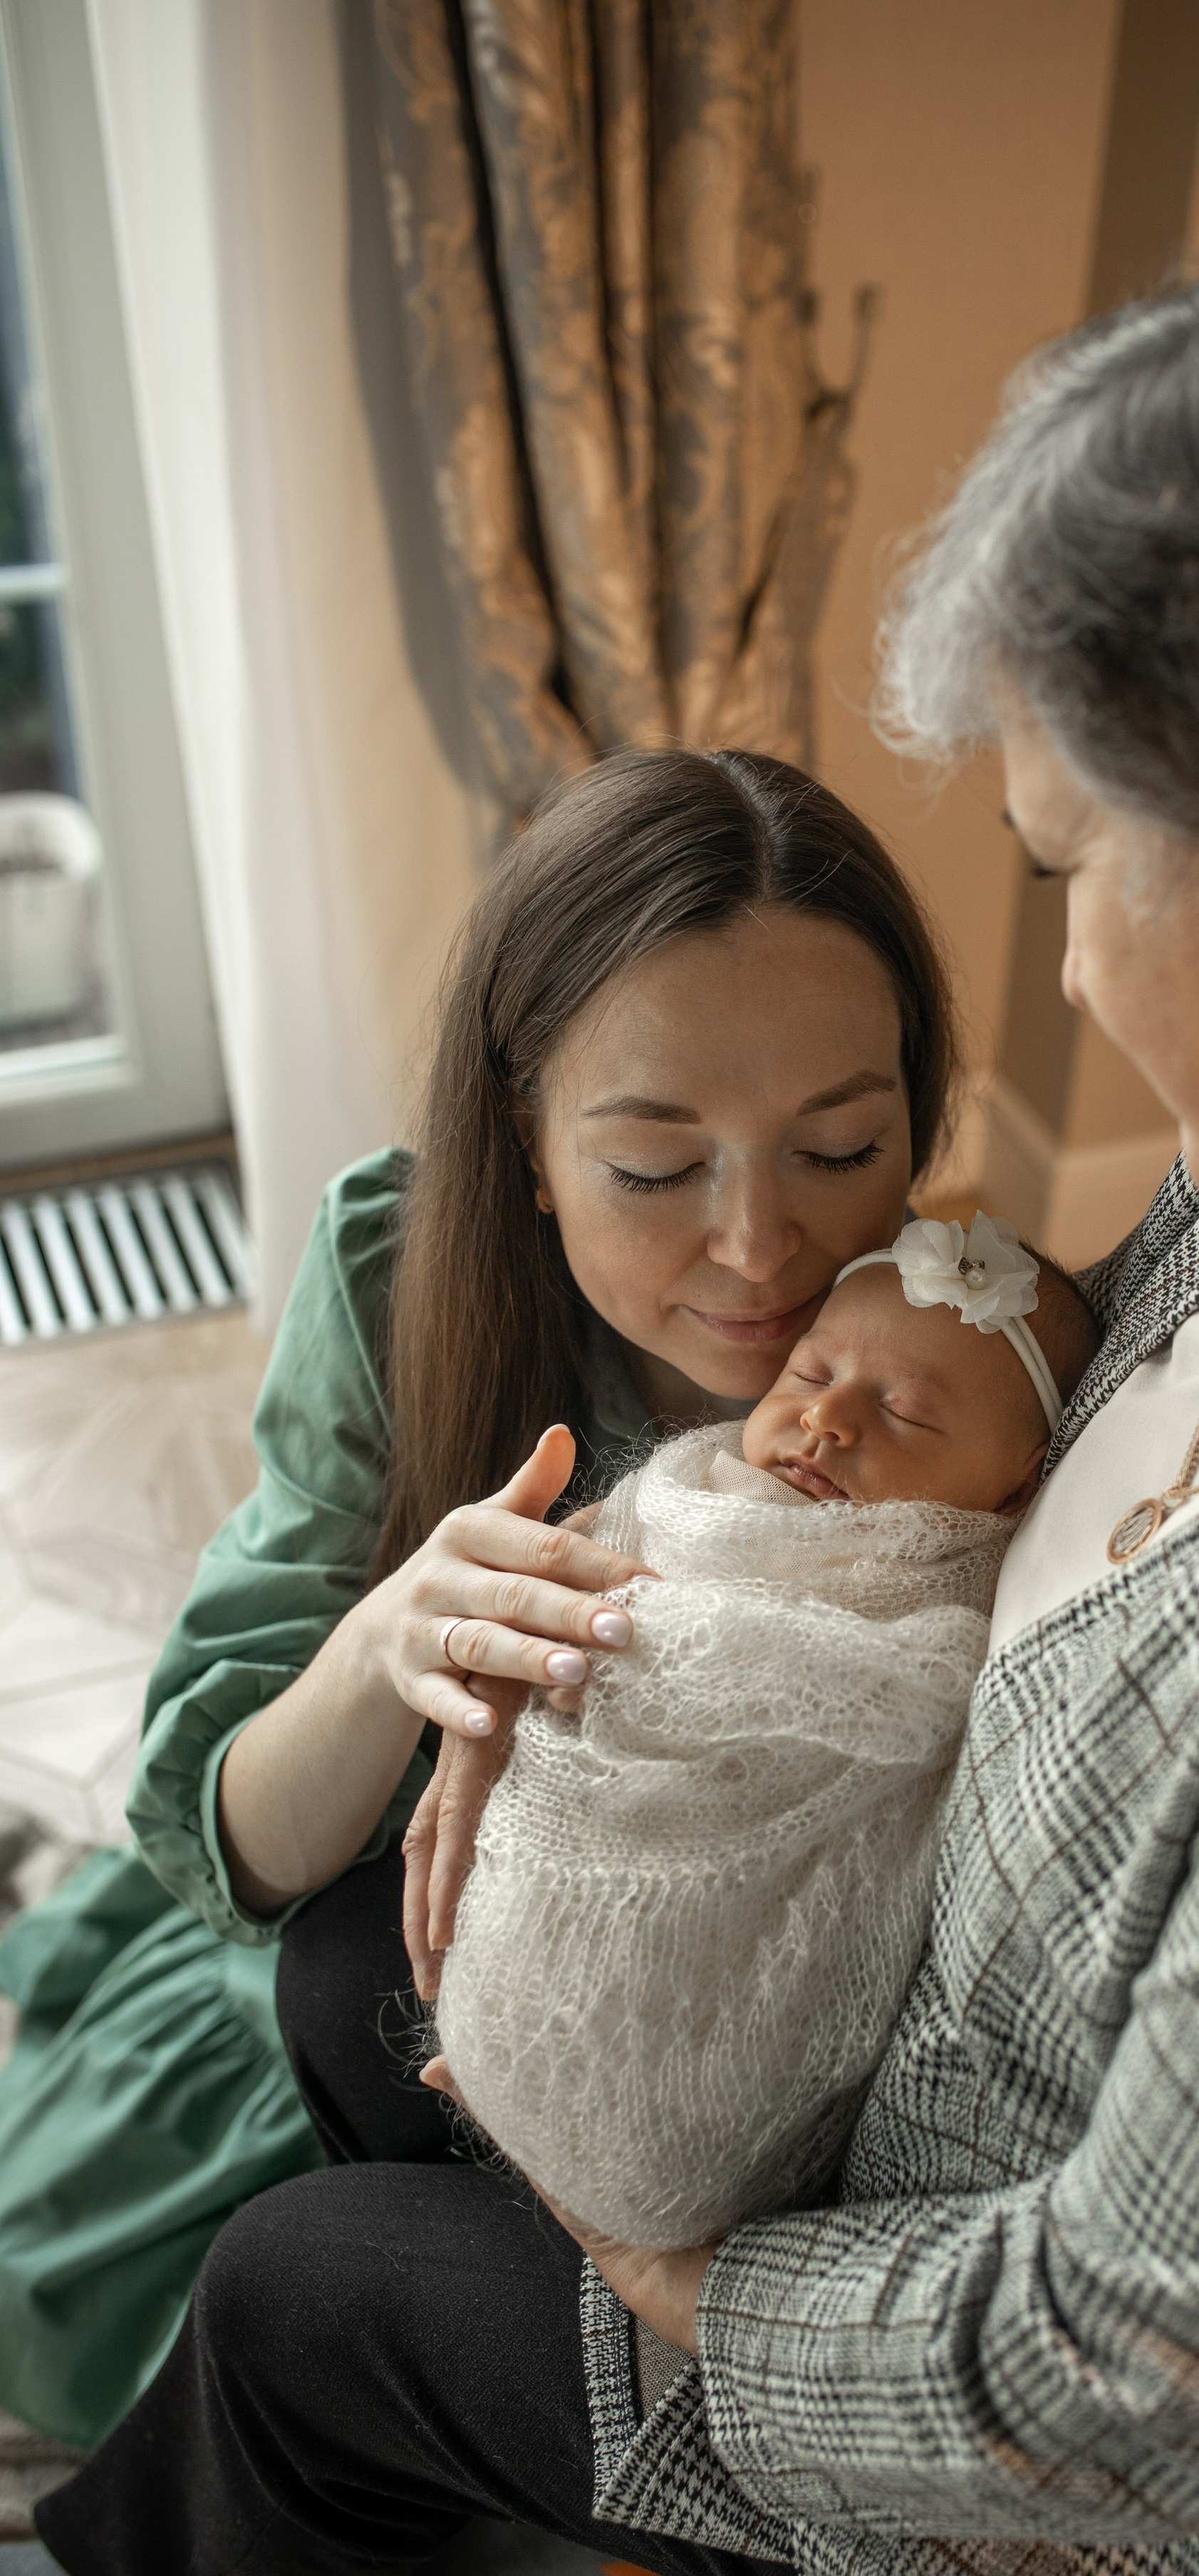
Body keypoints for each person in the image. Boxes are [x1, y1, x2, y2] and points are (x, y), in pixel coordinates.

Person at [14, 169, 1199, 2576]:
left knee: (318, 2297)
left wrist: (667, 2278)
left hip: (1140, 2558)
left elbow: (1113, 2395)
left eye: (1077, 862)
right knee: (342, 1970)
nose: (1067, 964)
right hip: (921, 2031)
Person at [0, 743, 955, 2453]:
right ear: (522, 1142)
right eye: (653, 1170)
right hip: (363, 2001)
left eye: (841, 1146)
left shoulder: (951, 1351)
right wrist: (392, 1638)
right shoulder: (403, 1275)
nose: (758, 1248)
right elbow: (227, 1843)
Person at [431, 1219, 1100, 2256]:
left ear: (1019, 1483)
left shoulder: (946, 1606)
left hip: (701, 2074)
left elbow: (912, 1699)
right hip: (514, 1944)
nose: (827, 1419)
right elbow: (589, 1576)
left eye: (907, 1414)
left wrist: (658, 1642)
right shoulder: (681, 1490)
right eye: (810, 1373)